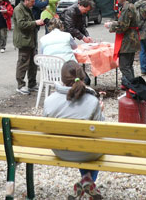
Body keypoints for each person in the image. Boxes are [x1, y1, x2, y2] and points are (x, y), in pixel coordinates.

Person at [43, 60, 104, 200]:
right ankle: (87, 179)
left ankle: (86, 180)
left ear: (62, 78)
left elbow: (45, 129)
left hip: (60, 151)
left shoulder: (49, 100)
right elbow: (101, 132)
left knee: (83, 143)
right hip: (87, 153)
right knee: (91, 144)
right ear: (83, 77)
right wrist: (100, 111)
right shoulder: (92, 101)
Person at [12, 0, 45, 95]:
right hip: (24, 40)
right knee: (23, 63)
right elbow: (21, 24)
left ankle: (32, 84)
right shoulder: (18, 9)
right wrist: (35, 22)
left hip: (31, 40)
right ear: (26, 0)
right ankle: (20, 85)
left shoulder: (27, 8)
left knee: (33, 63)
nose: (34, 3)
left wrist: (36, 23)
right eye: (32, 1)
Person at [108, 0, 139, 83]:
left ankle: (133, 86)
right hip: (131, 38)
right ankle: (130, 85)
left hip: (128, 39)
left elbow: (123, 26)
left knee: (124, 66)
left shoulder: (127, 8)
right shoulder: (129, 5)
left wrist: (110, 25)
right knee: (128, 65)